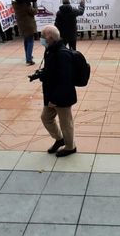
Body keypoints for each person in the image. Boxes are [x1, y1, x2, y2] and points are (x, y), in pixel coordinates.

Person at [38, 25, 78, 157]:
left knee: (66, 123)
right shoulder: (50, 50)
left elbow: (64, 80)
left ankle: (70, 147)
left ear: (50, 38)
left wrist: (55, 99)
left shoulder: (62, 54)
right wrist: (41, 74)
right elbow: (52, 71)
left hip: (62, 96)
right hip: (51, 94)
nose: (41, 39)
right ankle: (60, 139)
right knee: (46, 118)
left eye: (42, 36)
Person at [13, 0, 38, 65]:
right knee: (30, 41)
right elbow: (34, 12)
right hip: (28, 25)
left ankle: (28, 55)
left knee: (26, 41)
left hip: (21, 25)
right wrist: (34, 2)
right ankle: (29, 59)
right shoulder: (25, 5)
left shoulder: (15, 4)